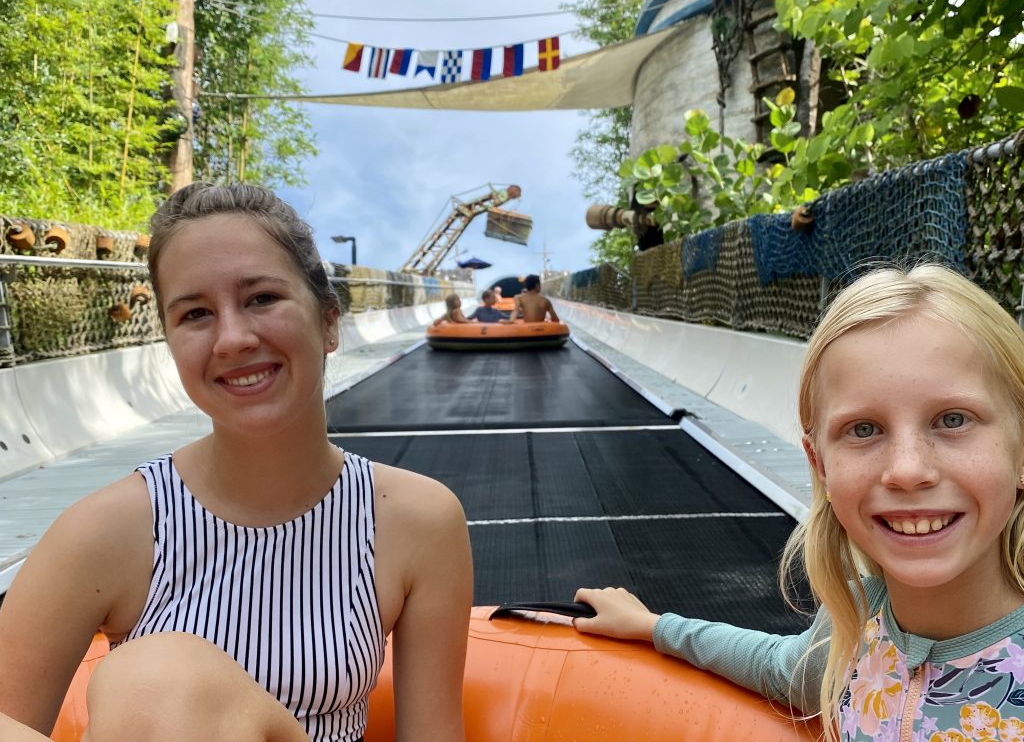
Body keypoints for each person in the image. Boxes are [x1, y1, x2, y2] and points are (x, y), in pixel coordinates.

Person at [0, 182, 473, 742]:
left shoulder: (417, 520)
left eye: (262, 299)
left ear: (328, 321)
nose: (232, 338)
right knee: (157, 680)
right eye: (196, 313)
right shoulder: (104, 532)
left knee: (158, 676)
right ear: (171, 342)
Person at [574, 263, 1024, 741]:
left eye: (953, 420)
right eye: (864, 430)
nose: (908, 470)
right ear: (820, 464)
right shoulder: (854, 621)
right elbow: (780, 667)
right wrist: (654, 626)